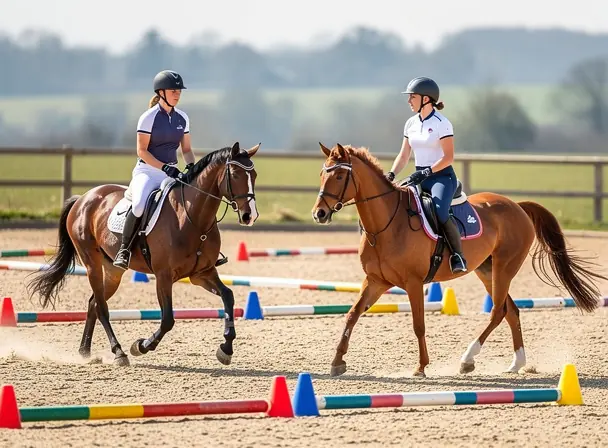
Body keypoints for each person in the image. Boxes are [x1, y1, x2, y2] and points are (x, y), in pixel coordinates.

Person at [113, 69, 195, 270]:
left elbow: (186, 149)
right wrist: (165, 167)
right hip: (148, 172)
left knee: (193, 203)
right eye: (172, 90)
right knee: (140, 204)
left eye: (179, 91)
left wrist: (192, 166)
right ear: (161, 93)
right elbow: (142, 151)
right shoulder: (148, 118)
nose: (177, 94)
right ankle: (124, 250)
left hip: (172, 172)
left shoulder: (182, 118)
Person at [385, 76, 467, 273]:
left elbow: (448, 157)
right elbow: (404, 155)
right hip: (418, 177)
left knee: (439, 212)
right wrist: (391, 174)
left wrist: (428, 172)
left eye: (412, 97)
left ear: (426, 99)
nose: (408, 101)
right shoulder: (410, 124)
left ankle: (458, 256)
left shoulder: (442, 123)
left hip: (441, 177)